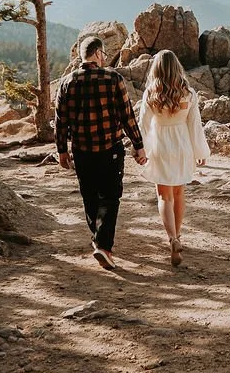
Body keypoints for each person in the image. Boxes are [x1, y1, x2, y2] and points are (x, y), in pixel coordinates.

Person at [55, 36, 147, 271]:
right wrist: (139, 145)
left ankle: (98, 238)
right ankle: (104, 247)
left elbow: (60, 121)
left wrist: (62, 151)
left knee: (89, 196)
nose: (105, 58)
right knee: (110, 197)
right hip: (110, 150)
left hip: (81, 150)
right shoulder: (113, 78)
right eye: (104, 54)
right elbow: (127, 116)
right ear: (96, 54)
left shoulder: (67, 82)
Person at [138, 49, 211, 266]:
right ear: (177, 67)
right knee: (179, 194)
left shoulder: (151, 93)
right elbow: (194, 125)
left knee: (164, 197)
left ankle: (171, 239)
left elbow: (142, 124)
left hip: (161, 145)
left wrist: (140, 149)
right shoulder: (188, 93)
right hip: (182, 145)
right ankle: (177, 238)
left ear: (156, 68)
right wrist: (200, 151)